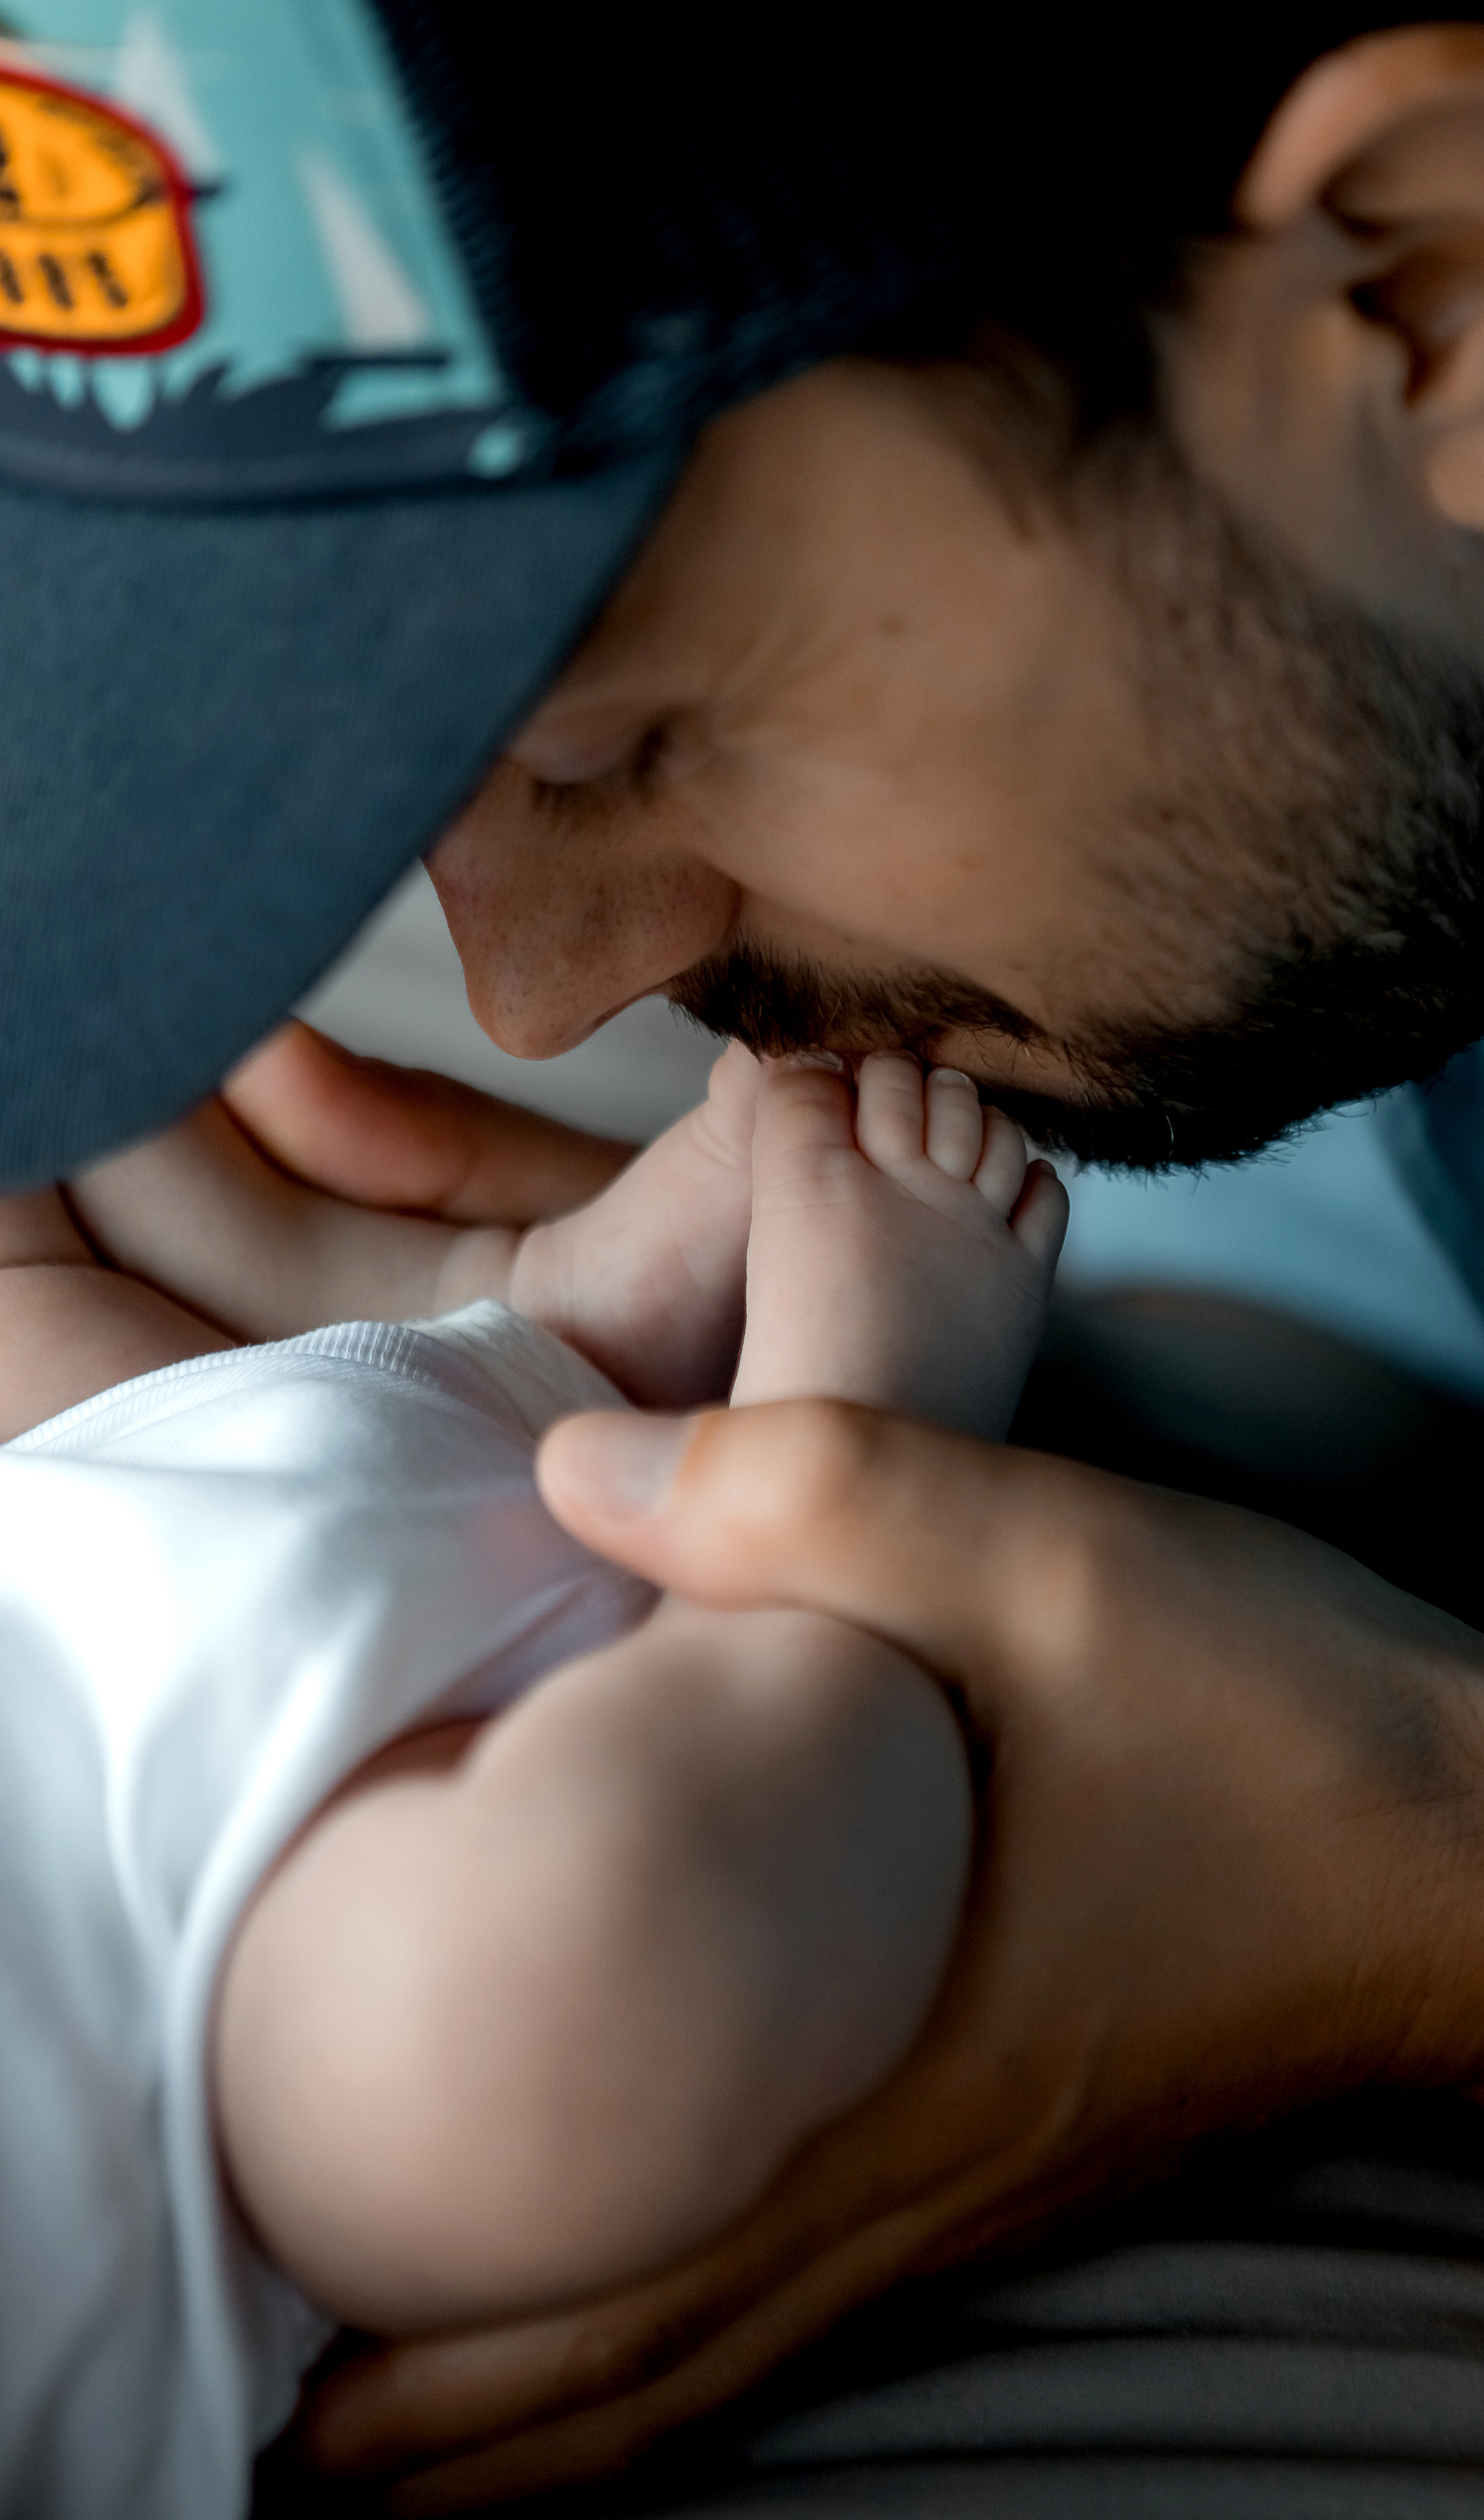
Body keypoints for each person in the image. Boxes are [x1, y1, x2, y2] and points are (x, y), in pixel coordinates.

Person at [10, 0, 1484, 2514]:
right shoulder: (1343, 822)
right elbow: (1466, 1399)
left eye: (617, 745)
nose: (545, 987)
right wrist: (500, 1387)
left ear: (1440, 293)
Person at [0, 1046, 1064, 2514]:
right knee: (517, 2039)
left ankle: (528, 1317)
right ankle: (842, 1465)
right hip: (235, 2023)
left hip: (62, 1508)